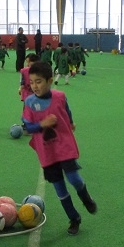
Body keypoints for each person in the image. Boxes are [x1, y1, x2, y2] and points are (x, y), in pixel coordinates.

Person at [22, 61, 97, 235]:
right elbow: (26, 127)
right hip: (47, 151)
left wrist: (70, 122)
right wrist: (42, 124)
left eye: (38, 81)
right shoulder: (29, 103)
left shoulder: (60, 96)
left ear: (49, 81)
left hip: (64, 145)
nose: (34, 86)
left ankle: (85, 197)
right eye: (31, 82)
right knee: (59, 188)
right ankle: (74, 218)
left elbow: (67, 110)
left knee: (74, 178)